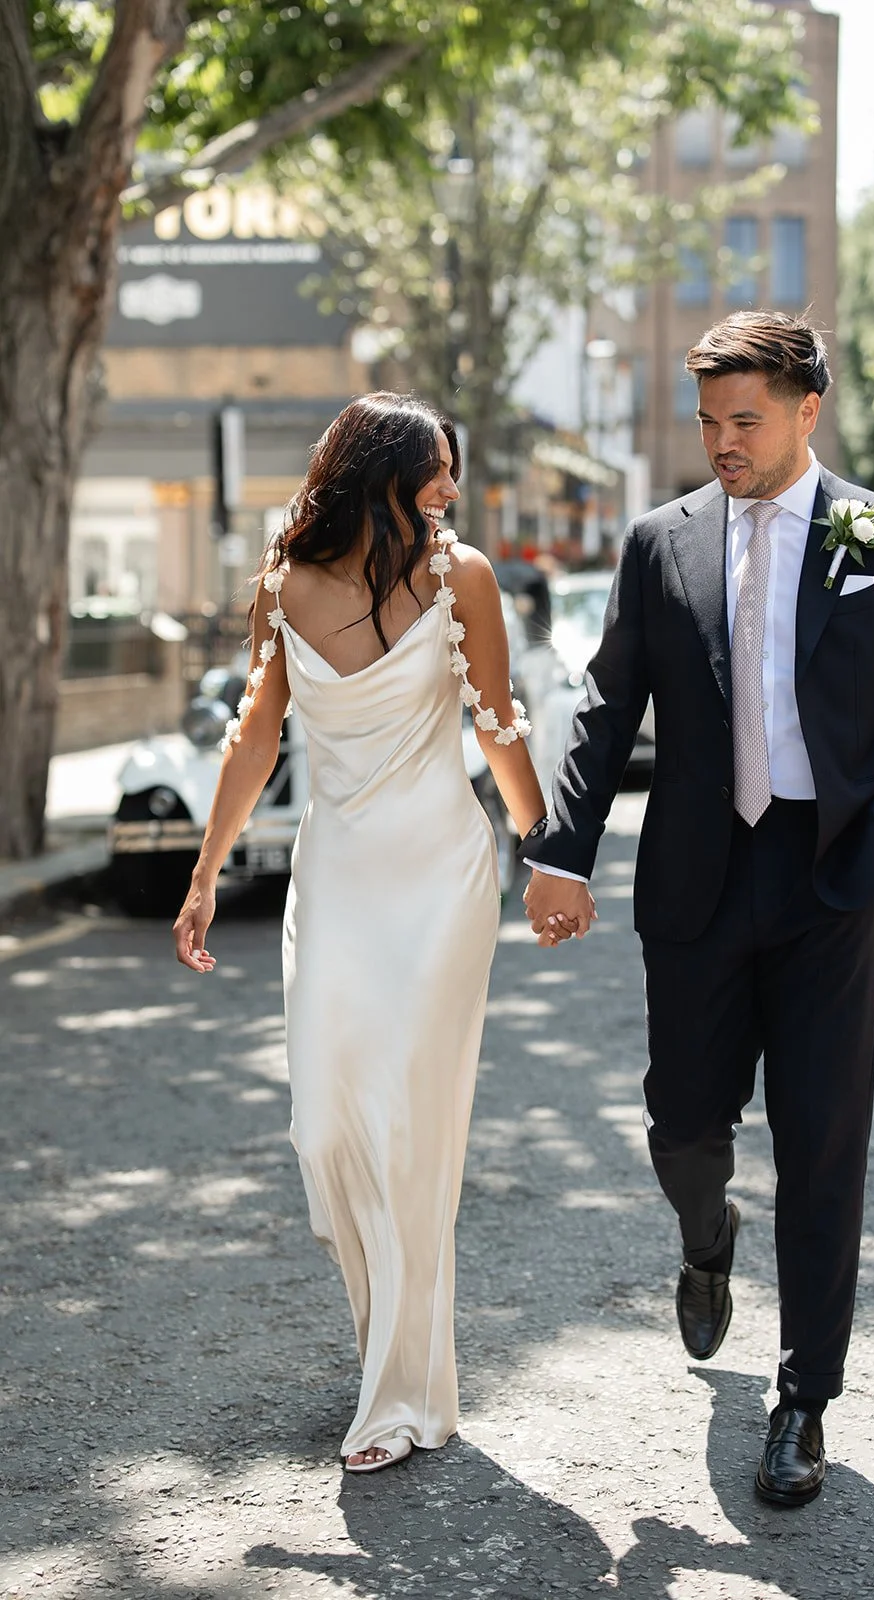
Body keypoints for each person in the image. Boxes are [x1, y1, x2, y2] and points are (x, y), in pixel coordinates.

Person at [522, 312, 874, 1506]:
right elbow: (608, 708)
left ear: (806, 411)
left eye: (746, 420)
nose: (723, 442)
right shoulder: (657, 543)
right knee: (682, 1126)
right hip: (695, 878)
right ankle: (705, 1236)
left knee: (822, 1141)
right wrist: (561, 852)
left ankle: (804, 1399)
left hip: (831, 881)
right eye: (708, 422)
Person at [172, 394, 549, 1473]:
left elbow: (497, 725)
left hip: (440, 876)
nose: (451, 489)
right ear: (378, 472)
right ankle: (396, 1356)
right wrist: (204, 874)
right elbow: (254, 738)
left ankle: (401, 1394)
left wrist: (545, 855)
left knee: (407, 1127)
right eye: (437, 469)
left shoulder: (461, 577)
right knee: (327, 1127)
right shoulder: (282, 584)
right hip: (335, 878)